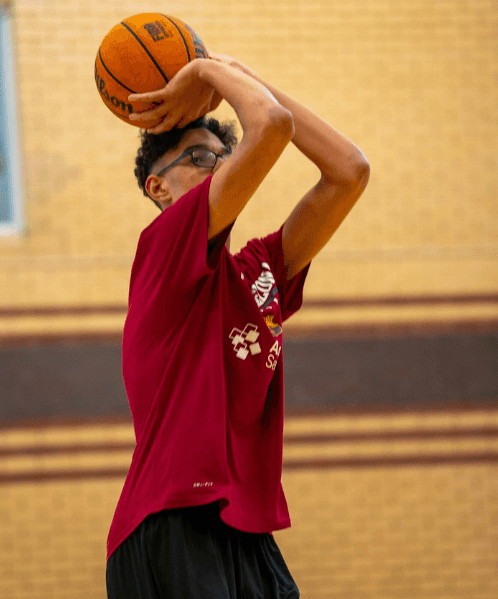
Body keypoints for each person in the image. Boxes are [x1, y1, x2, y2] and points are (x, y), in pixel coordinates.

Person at [104, 54, 370, 599]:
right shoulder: (164, 247)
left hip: (243, 526)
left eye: (227, 154)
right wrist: (204, 70)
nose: (224, 165)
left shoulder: (258, 271)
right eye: (202, 157)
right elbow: (270, 127)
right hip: (168, 520)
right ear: (159, 188)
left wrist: (240, 70)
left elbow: (349, 172)